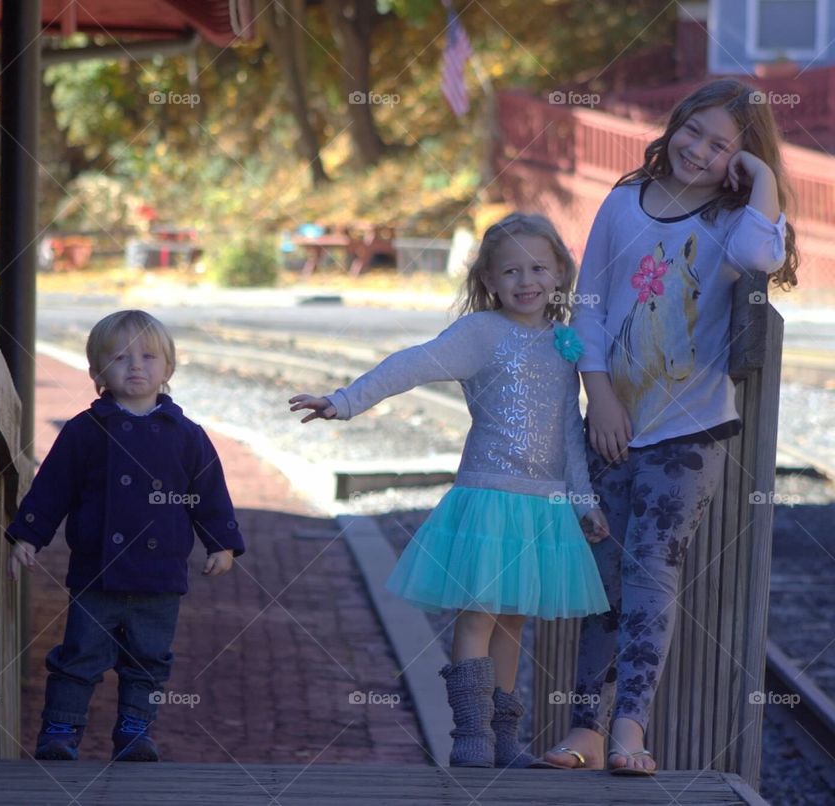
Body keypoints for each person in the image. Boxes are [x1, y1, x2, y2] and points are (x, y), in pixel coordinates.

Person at [536, 79, 799, 776]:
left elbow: (758, 258)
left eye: (722, 146)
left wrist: (764, 176)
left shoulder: (732, 219)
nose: (699, 151)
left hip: (691, 432)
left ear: (740, 161)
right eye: (694, 132)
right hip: (616, 422)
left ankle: (631, 729)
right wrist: (601, 394)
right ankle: (584, 727)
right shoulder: (624, 204)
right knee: (603, 576)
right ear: (673, 124)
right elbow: (587, 303)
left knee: (653, 570)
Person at [289, 213, 610, 768]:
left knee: (513, 618)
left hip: (543, 504)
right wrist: (345, 400)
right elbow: (412, 364)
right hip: (488, 497)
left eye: (538, 267)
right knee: (480, 611)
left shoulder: (565, 345)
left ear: (560, 271)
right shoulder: (480, 333)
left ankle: (505, 739)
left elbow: (568, 434)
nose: (525, 280)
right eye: (510, 270)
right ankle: (470, 737)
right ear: (488, 279)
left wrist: (582, 500)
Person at [5, 310, 245, 762]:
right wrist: (28, 536)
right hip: (97, 572)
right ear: (96, 373)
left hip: (160, 575)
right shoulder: (84, 432)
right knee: (79, 656)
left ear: (168, 368)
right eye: (119, 358)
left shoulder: (187, 436)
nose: (135, 366)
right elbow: (52, 488)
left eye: (148, 356)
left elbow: (208, 492)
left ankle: (135, 732)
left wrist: (222, 541)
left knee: (148, 661)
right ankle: (61, 730)